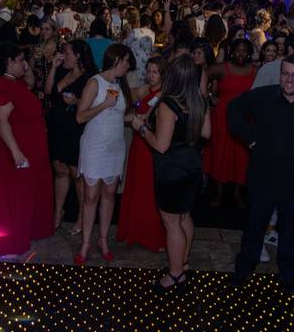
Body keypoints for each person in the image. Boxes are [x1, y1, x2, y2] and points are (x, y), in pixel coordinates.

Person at [229, 54, 294, 293]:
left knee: (290, 233)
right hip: (262, 178)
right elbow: (234, 108)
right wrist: (249, 138)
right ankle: (243, 270)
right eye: (286, 74)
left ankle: (288, 276)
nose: (290, 79)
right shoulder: (263, 97)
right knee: (253, 229)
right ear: (280, 75)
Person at [131, 55, 211, 289]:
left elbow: (160, 145)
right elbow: (206, 133)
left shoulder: (168, 104)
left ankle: (175, 273)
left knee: (172, 223)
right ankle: (182, 264)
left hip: (172, 170)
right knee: (184, 217)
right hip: (192, 165)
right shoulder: (199, 100)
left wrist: (141, 128)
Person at [0, 42, 54, 257]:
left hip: (25, 146)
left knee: (23, 194)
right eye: (21, 60)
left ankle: (21, 233)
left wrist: (26, 65)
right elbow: (0, 119)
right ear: (8, 62)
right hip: (9, 149)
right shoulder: (2, 85)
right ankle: (7, 242)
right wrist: (15, 151)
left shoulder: (16, 82)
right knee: (12, 194)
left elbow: (31, 82)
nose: (25, 64)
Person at [74, 44, 135, 264]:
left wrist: (134, 118)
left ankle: (103, 239)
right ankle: (85, 243)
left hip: (115, 147)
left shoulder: (121, 84)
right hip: (94, 146)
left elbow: (119, 116)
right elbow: (80, 117)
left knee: (110, 194)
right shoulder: (94, 83)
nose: (128, 65)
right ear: (116, 60)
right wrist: (104, 105)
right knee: (91, 196)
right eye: (126, 61)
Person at [118, 56, 168, 252]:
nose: (150, 75)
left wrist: (142, 120)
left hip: (153, 145)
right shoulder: (143, 90)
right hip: (138, 145)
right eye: (148, 71)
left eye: (155, 72)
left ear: (163, 74)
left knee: (150, 191)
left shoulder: (165, 94)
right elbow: (124, 101)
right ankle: (134, 232)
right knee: (137, 187)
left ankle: (152, 236)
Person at [46, 40, 96, 233]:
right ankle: (58, 211)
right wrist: (53, 67)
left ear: (78, 56)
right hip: (57, 125)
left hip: (75, 128)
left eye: (66, 53)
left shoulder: (89, 77)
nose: (63, 56)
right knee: (59, 169)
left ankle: (82, 216)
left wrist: (76, 102)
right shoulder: (61, 70)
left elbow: (92, 105)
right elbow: (48, 91)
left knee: (76, 173)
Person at [203, 38, 257, 207]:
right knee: (220, 153)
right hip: (222, 116)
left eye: (244, 50)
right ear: (231, 52)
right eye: (238, 50)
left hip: (245, 118)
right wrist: (208, 97)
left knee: (241, 157)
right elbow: (203, 75)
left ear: (249, 53)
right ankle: (218, 194)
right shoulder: (222, 68)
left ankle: (238, 194)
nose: (241, 53)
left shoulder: (255, 70)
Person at [123, 8, 155, 89]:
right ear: (150, 24)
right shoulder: (152, 33)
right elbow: (152, 48)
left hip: (135, 62)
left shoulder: (134, 31)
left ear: (140, 22)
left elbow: (125, 44)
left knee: (133, 85)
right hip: (146, 63)